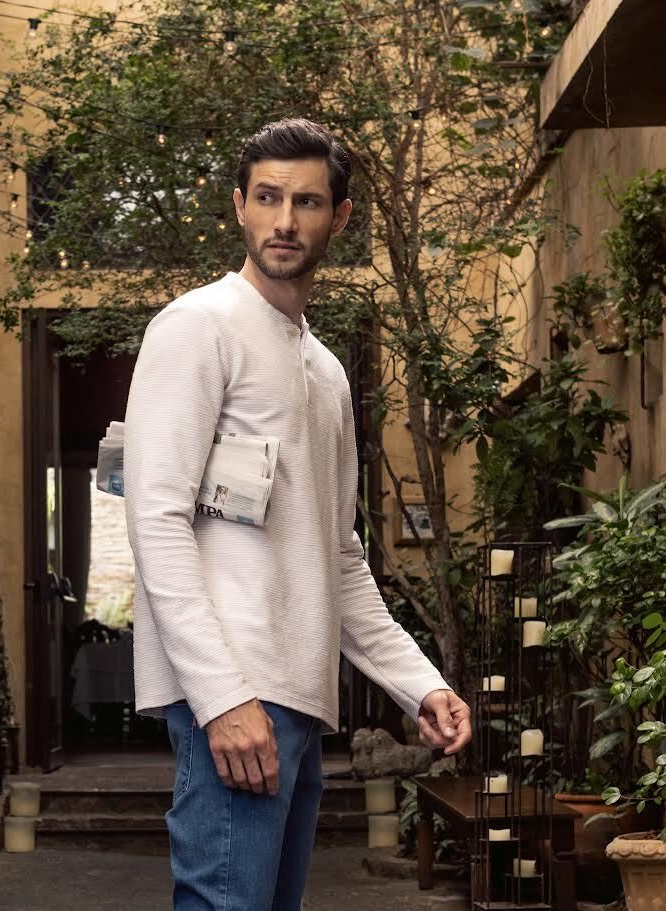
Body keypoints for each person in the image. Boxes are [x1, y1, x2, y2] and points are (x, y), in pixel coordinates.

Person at [123, 118, 471, 911]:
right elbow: (156, 520)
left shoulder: (324, 370)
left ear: (338, 217)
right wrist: (220, 697)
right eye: (267, 197)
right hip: (234, 691)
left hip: (297, 698)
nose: (284, 220)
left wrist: (419, 684)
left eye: (306, 201)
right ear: (238, 206)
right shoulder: (198, 326)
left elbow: (337, 555)